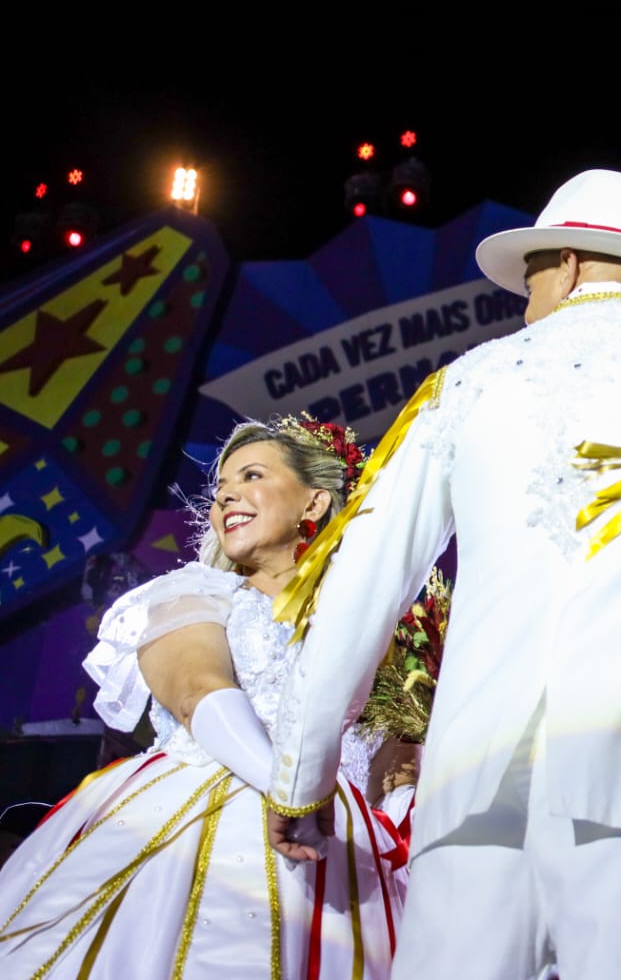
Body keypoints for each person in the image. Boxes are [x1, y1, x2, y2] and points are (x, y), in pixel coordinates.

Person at [266, 168, 621, 980]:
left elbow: (361, 585)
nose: (524, 297)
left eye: (530, 272)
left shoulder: (467, 383)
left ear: (568, 263)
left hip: (472, 785)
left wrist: (303, 773)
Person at [0, 417, 409, 979]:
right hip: (211, 815)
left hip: (349, 852)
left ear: (314, 503)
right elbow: (197, 692)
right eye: (219, 489)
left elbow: (394, 755)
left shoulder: (384, 627)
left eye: (252, 475)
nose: (225, 496)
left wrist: (405, 804)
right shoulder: (195, 593)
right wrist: (292, 791)